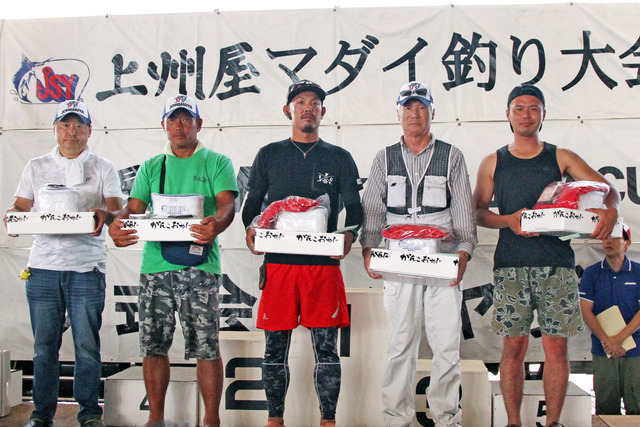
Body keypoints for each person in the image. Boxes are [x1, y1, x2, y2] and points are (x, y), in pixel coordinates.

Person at [473, 84, 621, 427]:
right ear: (508, 115)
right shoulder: (494, 161)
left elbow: (608, 190)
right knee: (513, 349)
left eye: (533, 108)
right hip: (511, 265)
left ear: (543, 114)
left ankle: (553, 422)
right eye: (519, 108)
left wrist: (610, 211)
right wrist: (509, 220)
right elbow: (478, 212)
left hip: (557, 265)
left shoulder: (561, 156)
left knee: (557, 348)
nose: (526, 115)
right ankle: (513, 422)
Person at [108, 95, 237, 427]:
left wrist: (217, 224)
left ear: (198, 124)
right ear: (163, 125)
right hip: (156, 267)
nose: (180, 126)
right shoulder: (152, 166)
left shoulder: (217, 162)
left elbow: (227, 205)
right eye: (173, 119)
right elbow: (133, 209)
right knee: (153, 346)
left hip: (201, 266)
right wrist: (116, 224)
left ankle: (211, 420)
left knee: (207, 347)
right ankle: (155, 419)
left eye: (186, 119)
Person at [242, 80, 362, 427]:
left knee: (326, 349)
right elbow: (251, 205)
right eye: (300, 102)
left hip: (322, 267)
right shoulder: (269, 154)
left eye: (315, 103)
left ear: (323, 112)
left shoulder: (339, 158)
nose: (308, 108)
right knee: (274, 350)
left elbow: (355, 209)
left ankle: (328, 421)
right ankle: (274, 420)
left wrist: (349, 235)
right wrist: (251, 229)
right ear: (288, 110)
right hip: (279, 266)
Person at [360, 81, 477, 427]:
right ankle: (396, 419)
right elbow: (373, 210)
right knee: (400, 343)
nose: (415, 113)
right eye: (408, 107)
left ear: (432, 112)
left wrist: (464, 253)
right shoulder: (384, 158)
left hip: (442, 261)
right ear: (398, 113)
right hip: (399, 262)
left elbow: (464, 211)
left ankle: (447, 418)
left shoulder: (452, 155)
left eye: (422, 106)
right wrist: (369, 249)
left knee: (446, 345)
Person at [3, 101, 123, 427]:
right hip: (43, 267)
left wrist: (105, 214)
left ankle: (90, 413)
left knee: (87, 345)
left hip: (87, 267)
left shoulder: (103, 167)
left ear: (89, 131)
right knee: (43, 347)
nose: (72, 131)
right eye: (65, 125)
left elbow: (117, 209)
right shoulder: (36, 166)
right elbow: (21, 205)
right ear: (55, 129)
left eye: (79, 125)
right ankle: (41, 414)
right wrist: (14, 216)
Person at [579, 225, 640, 415]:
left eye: (615, 238)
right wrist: (607, 341)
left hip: (636, 350)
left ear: (627, 243)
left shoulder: (638, 271)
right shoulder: (591, 273)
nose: (608, 242)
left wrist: (618, 339)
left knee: (637, 408)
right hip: (603, 350)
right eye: (606, 238)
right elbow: (585, 310)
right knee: (605, 409)